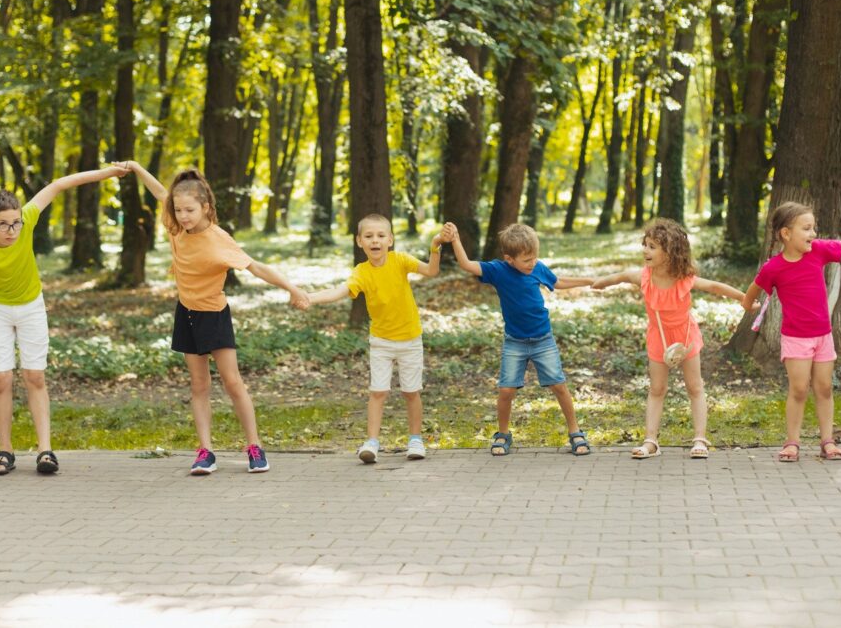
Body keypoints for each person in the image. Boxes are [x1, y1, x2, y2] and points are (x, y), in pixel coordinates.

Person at [0, 165, 129, 476]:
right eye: (2, 225)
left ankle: (45, 451)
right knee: (2, 379)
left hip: (31, 306)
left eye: (15, 223)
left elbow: (59, 184)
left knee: (35, 376)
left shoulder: (27, 219)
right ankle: (5, 452)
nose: (11, 231)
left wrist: (108, 173)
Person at [124, 161, 309, 475]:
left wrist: (291, 288)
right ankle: (206, 451)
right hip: (187, 314)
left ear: (205, 208)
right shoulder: (174, 227)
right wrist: (136, 167)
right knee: (199, 385)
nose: (182, 216)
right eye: (178, 210)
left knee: (233, 382)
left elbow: (257, 268)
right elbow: (158, 192)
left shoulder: (219, 238)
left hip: (215, 316)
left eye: (189, 211)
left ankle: (254, 447)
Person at [592, 219, 750, 459]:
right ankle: (651, 441)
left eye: (652, 246)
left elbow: (715, 287)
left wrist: (743, 298)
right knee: (657, 388)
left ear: (670, 252)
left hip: (685, 337)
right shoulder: (643, 277)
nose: (645, 250)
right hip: (659, 338)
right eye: (645, 244)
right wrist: (601, 283)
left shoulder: (684, 279)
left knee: (695, 387)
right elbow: (622, 276)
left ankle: (700, 439)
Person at [306, 214, 450, 463]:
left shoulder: (400, 260)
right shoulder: (361, 272)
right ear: (359, 241)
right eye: (369, 236)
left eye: (381, 236)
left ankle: (415, 440)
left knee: (411, 392)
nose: (375, 240)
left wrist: (435, 244)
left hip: (410, 340)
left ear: (390, 240)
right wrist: (310, 297)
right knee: (378, 392)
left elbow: (431, 270)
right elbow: (339, 291)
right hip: (381, 342)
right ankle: (372, 442)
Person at [741, 201, 841, 462]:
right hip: (795, 338)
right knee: (799, 389)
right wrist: (750, 305)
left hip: (823, 336)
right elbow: (753, 289)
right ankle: (792, 442)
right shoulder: (774, 267)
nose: (813, 234)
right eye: (806, 228)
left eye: (813, 228)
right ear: (786, 233)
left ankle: (828, 441)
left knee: (824, 387)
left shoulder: (817, 251)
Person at [446, 221, 593, 457]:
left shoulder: (537, 267)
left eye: (534, 257)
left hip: (543, 339)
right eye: (526, 260)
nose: (532, 263)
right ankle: (503, 434)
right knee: (506, 391)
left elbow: (558, 282)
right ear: (509, 259)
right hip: (514, 342)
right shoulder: (497, 270)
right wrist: (455, 239)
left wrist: (588, 282)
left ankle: (575, 432)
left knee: (559, 385)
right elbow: (466, 264)